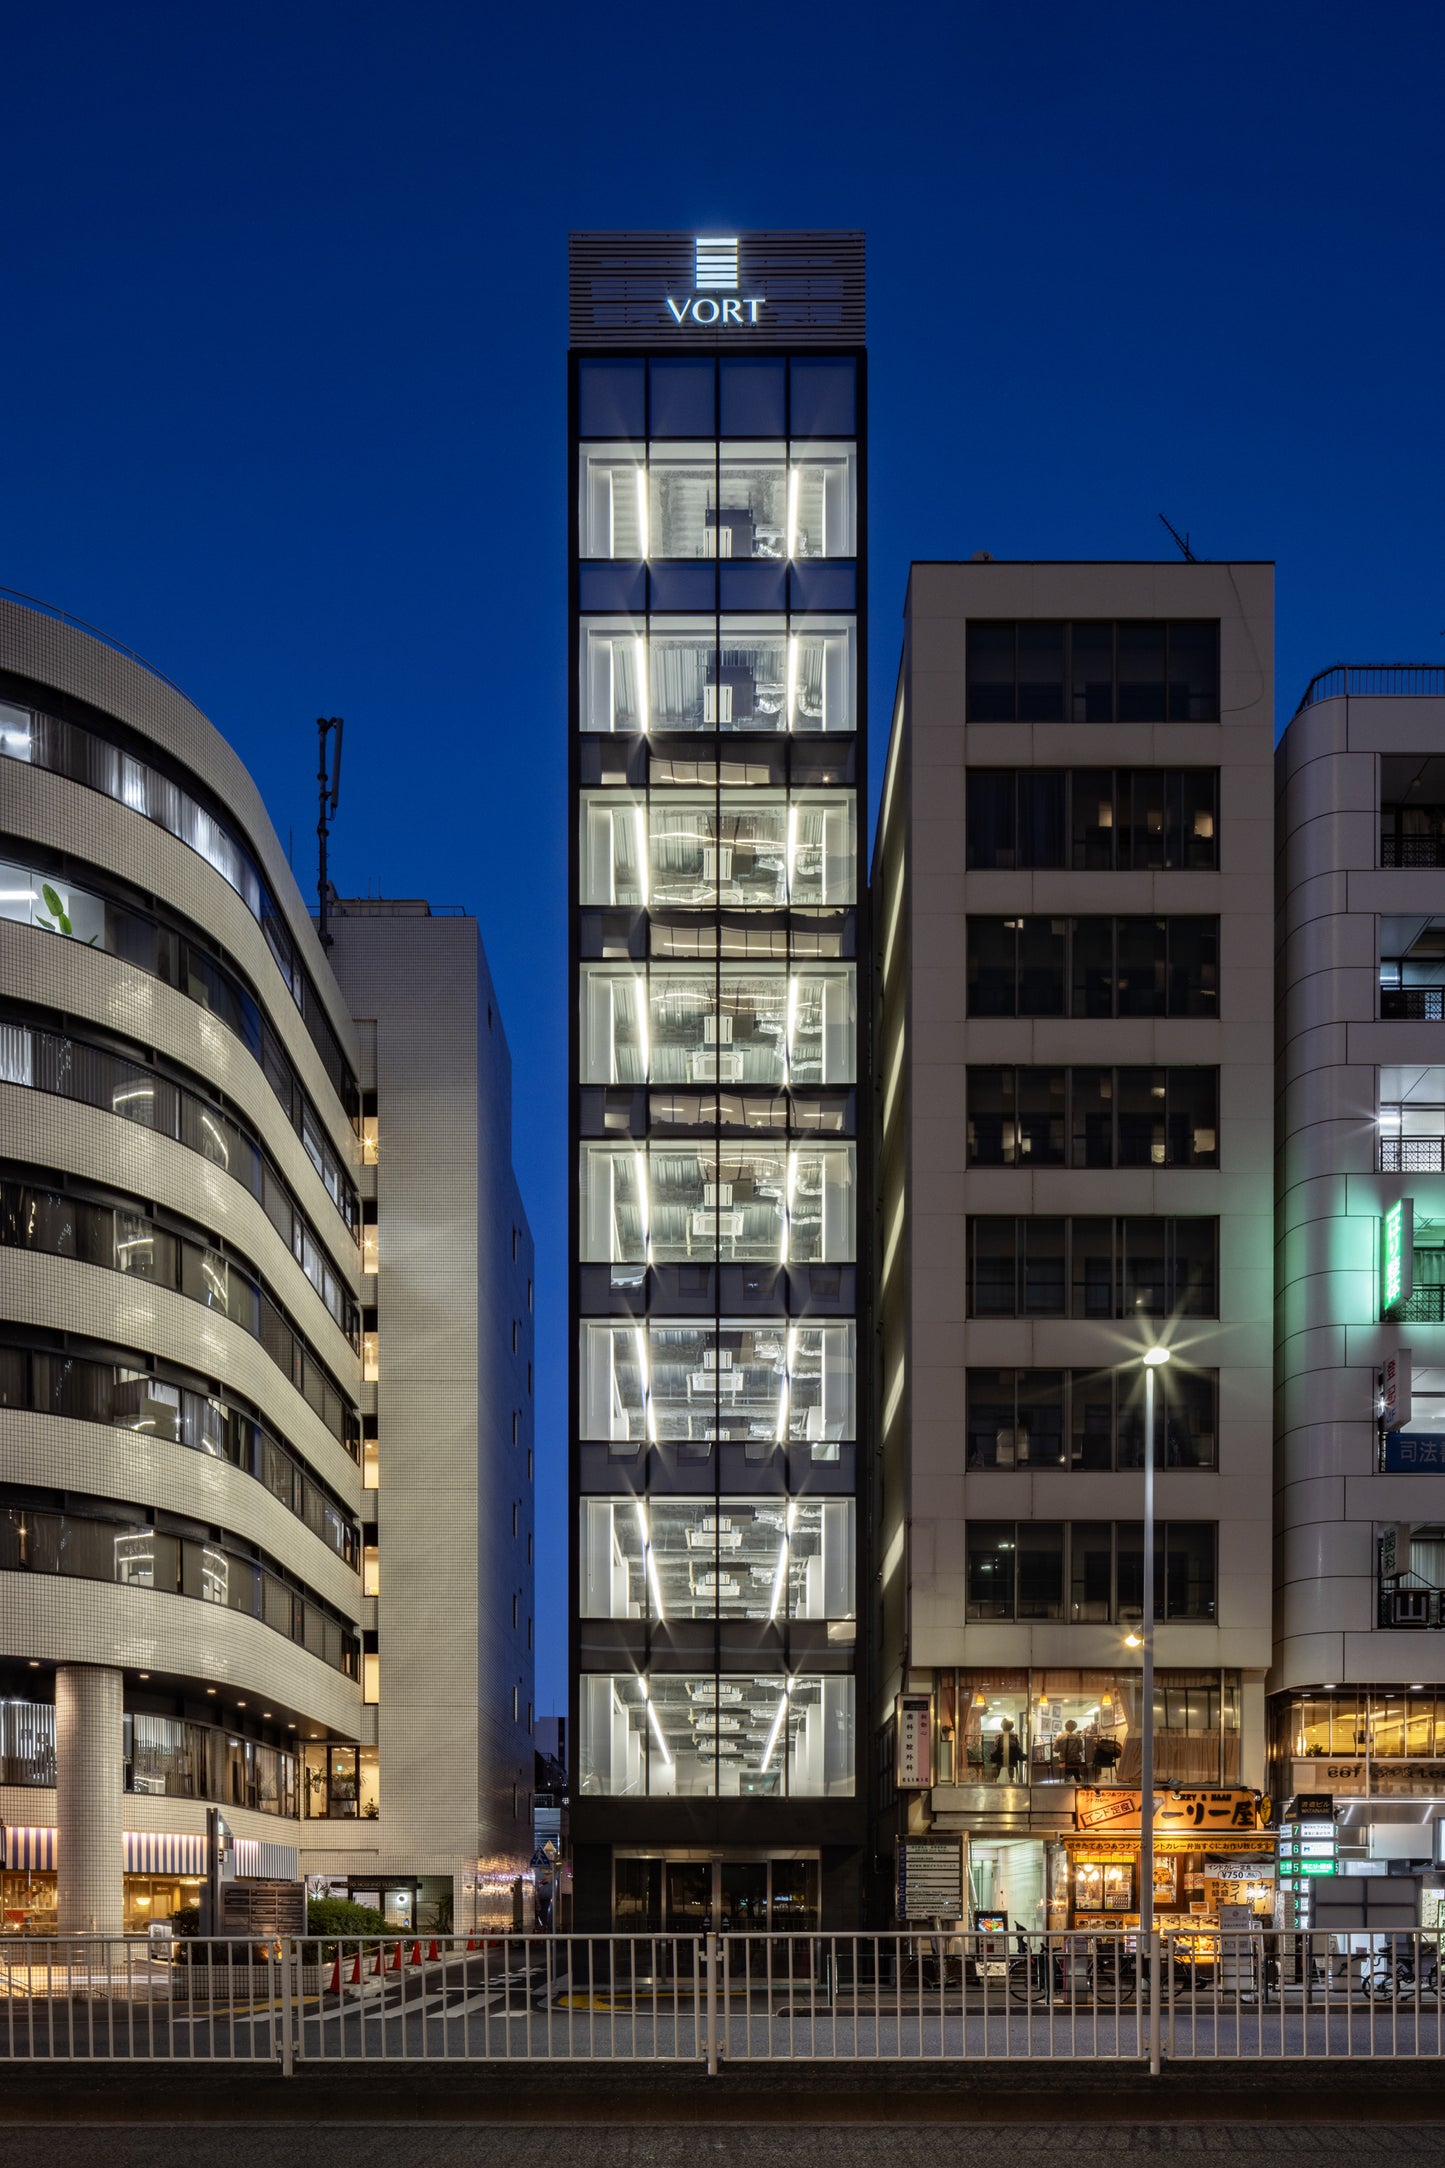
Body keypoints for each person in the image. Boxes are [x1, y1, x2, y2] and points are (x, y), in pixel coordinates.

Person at [989, 1718, 1025, 1784]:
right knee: (1011, 1764)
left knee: (996, 1762)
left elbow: (996, 1745)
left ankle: (995, 1779)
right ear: (1011, 1726)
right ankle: (1012, 1779)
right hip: (1012, 1758)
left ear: (1002, 1726)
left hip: (1000, 1757)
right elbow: (1018, 1744)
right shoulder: (1015, 1735)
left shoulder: (998, 1736)